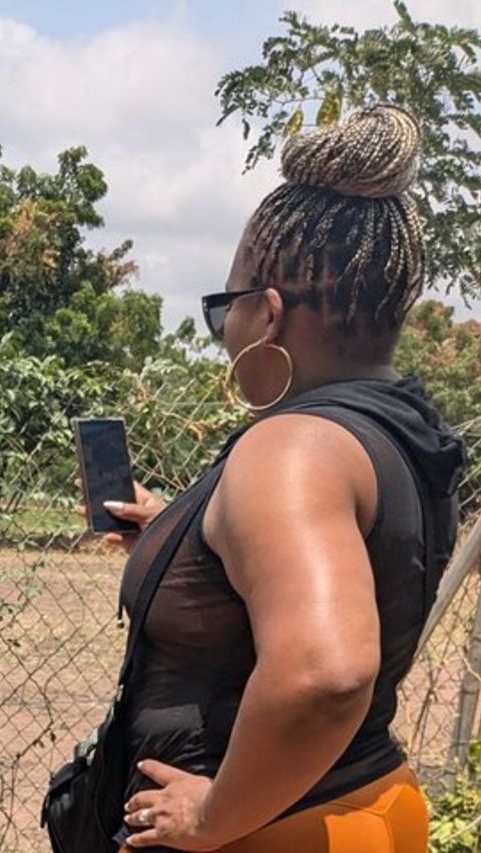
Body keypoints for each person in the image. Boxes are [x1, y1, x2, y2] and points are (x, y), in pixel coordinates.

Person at [93, 105, 464, 852]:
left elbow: (323, 674)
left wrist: (213, 814)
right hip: (369, 806)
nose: (222, 331)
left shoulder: (290, 448)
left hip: (274, 830)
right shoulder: (402, 436)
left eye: (220, 308)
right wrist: (183, 535)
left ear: (266, 314)